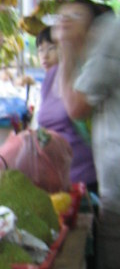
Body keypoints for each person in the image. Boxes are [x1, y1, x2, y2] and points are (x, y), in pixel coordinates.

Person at [53, 0, 120, 269]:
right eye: (60, 17)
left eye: (74, 16)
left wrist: (65, 52)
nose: (64, 23)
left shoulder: (110, 36)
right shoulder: (102, 40)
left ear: (95, 20)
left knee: (114, 262)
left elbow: (75, 106)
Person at [35, 24, 97, 192]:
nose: (45, 56)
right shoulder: (48, 79)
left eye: (51, 48)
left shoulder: (76, 75)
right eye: (40, 50)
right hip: (59, 172)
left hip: (82, 173)